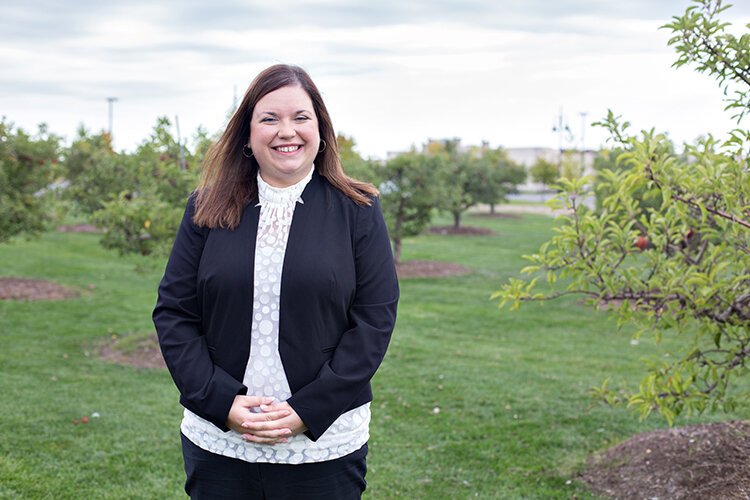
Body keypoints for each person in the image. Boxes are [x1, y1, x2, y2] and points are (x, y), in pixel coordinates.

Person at [153, 64, 399, 499]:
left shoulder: (358, 209)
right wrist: (222, 404)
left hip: (323, 444)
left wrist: (306, 411)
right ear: (247, 135)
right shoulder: (205, 208)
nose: (287, 131)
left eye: (301, 117)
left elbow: (374, 322)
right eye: (270, 118)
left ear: (320, 128)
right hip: (220, 442)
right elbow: (174, 313)